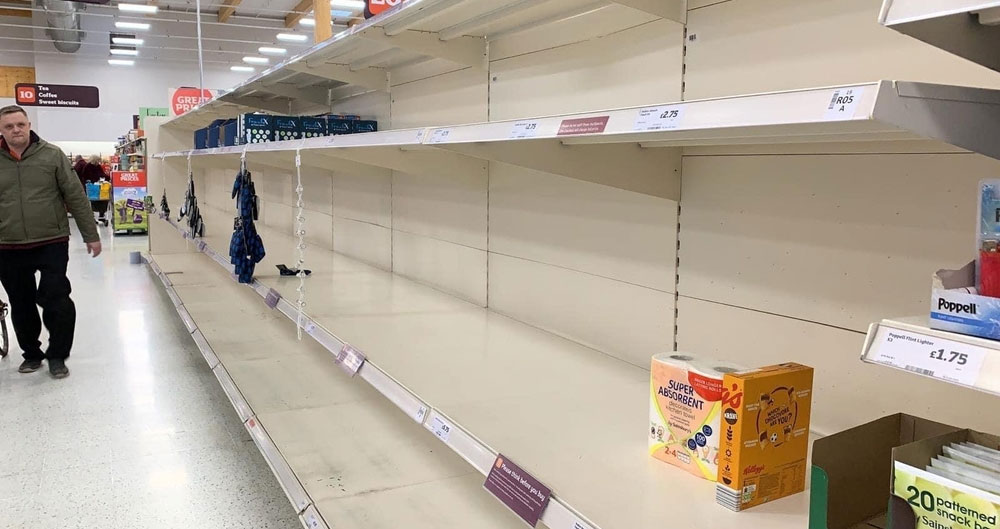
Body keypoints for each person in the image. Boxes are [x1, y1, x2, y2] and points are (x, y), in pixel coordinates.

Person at [0, 105, 101, 379]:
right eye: (9, 126)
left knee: (57, 299)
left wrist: (90, 234)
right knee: (20, 303)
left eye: (20, 124)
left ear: (28, 124)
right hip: (8, 245)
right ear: (1, 130)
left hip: (51, 241)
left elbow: (76, 196)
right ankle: (31, 354)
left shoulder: (52, 155)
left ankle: (57, 355)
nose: (16, 130)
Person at [81, 155, 110, 224]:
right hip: (92, 187)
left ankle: (101, 216)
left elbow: (102, 174)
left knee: (103, 200)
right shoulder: (87, 167)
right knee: (93, 201)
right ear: (95, 160)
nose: (99, 162)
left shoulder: (98, 166)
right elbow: (85, 176)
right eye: (98, 161)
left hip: (99, 186)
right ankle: (94, 217)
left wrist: (107, 177)